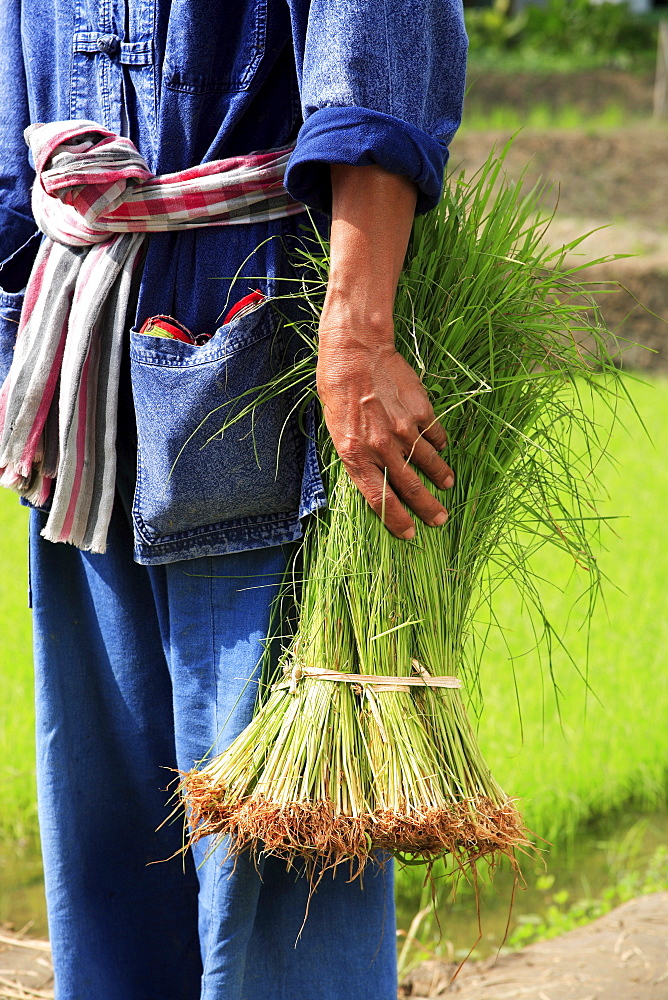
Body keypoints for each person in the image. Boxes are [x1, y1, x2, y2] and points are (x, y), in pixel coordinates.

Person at [0, 2, 467, 998]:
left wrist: (359, 328)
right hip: (80, 386)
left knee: (285, 849)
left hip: (270, 378)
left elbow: (375, 59)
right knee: (114, 838)